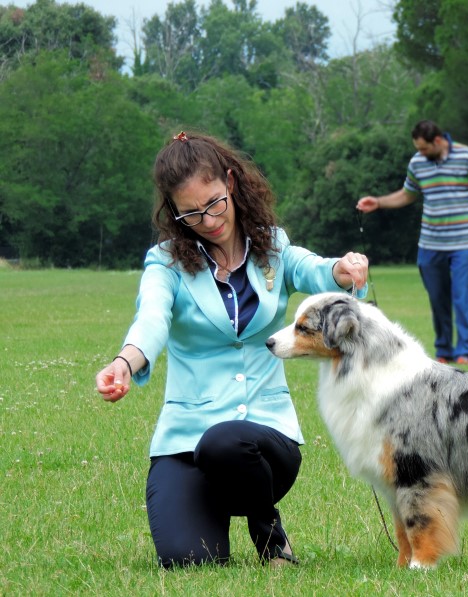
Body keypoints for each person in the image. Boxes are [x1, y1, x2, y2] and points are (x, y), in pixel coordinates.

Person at [95, 131, 368, 569]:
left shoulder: (273, 247)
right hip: (186, 439)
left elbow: (318, 271)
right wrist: (125, 361)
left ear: (231, 183)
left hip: (264, 440)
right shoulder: (165, 263)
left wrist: (342, 268)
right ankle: (212, 510)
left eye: (214, 202)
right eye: (191, 213)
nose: (208, 220)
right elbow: (152, 319)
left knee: (226, 440)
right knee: (189, 560)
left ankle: (268, 532)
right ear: (174, 213)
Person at [356, 120, 468, 365]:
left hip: (463, 243)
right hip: (430, 244)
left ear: (437, 141)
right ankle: (443, 351)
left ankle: (465, 352)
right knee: (437, 298)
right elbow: (407, 194)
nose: (420, 153)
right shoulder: (418, 163)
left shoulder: (467, 157)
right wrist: (378, 202)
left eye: (423, 148)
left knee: (461, 297)